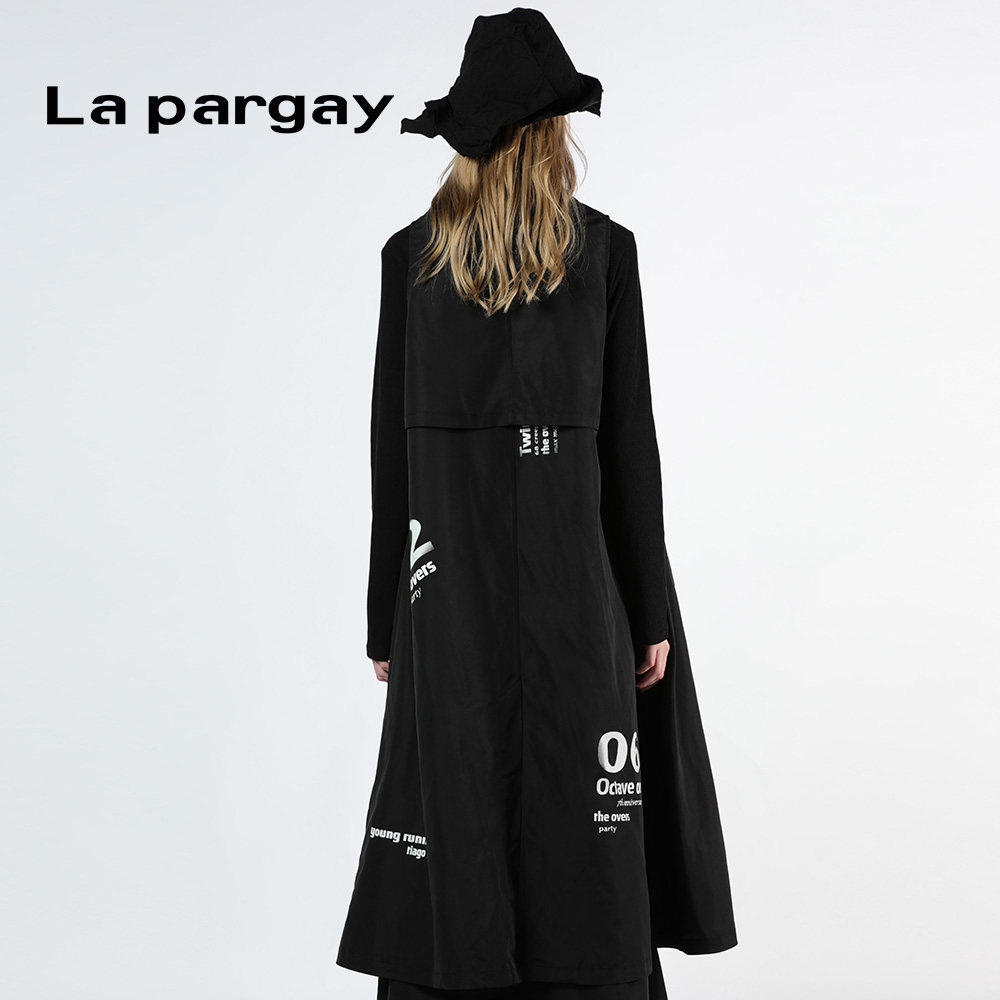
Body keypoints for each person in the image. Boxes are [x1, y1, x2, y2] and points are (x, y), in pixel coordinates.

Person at [337, 10, 737, 999]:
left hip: (444, 593)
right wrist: (647, 611)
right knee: (584, 802)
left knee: (458, 800)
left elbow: (391, 458)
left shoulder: (410, 260)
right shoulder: (603, 253)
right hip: (580, 588)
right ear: (554, 128)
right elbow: (628, 450)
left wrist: (386, 615)